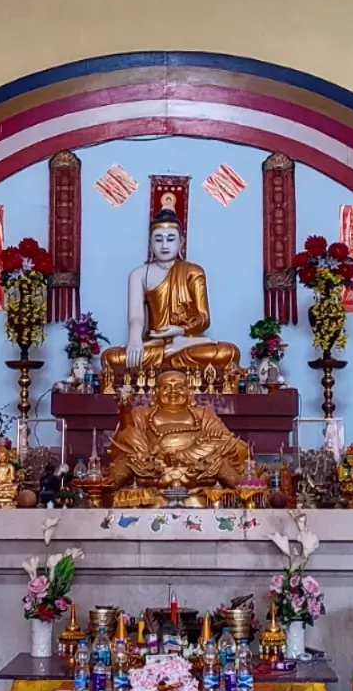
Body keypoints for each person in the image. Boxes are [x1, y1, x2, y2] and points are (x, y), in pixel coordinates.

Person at [101, 209, 240, 378]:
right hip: (154, 344)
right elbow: (136, 318)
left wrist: (179, 331)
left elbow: (203, 318)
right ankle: (171, 352)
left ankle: (176, 349)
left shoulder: (193, 271)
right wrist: (135, 340)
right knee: (110, 358)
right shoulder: (138, 274)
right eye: (158, 240)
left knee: (228, 352)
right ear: (150, 244)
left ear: (181, 242)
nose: (164, 245)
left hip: (187, 343)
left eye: (171, 239)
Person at [107, 369, 248, 490]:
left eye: (179, 387)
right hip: (153, 464)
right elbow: (127, 436)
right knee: (130, 435)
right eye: (167, 387)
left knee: (231, 445)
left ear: (189, 392)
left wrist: (215, 437)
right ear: (156, 392)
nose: (173, 392)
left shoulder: (203, 413)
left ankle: (180, 458)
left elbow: (228, 442)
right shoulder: (141, 413)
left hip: (197, 465)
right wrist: (125, 410)